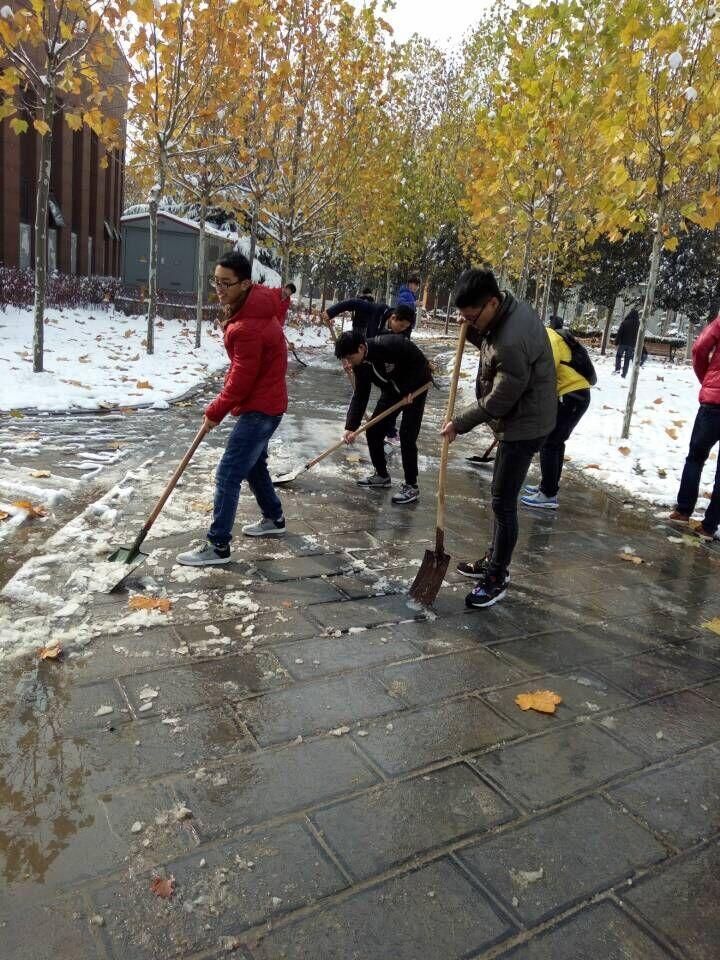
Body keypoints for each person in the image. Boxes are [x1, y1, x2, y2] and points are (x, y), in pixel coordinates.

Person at [440, 269, 556, 608]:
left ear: (491, 302)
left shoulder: (511, 339)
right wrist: (474, 330)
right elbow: (493, 349)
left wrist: (459, 423)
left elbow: (501, 399)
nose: (468, 322)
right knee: (500, 499)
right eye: (464, 317)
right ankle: (494, 558)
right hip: (525, 417)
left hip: (524, 426)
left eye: (471, 317)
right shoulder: (508, 311)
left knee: (503, 502)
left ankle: (497, 576)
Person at [177, 252, 288, 566]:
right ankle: (274, 517)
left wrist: (215, 410)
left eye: (226, 283)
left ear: (245, 283)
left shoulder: (248, 326)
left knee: (228, 473)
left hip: (261, 408)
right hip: (269, 402)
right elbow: (245, 369)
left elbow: (241, 379)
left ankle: (218, 546)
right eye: (216, 281)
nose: (219, 289)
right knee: (253, 466)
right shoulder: (255, 306)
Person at [335, 329, 432, 505]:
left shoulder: (390, 344)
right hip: (392, 391)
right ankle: (381, 475)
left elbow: (420, 362)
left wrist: (410, 388)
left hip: (416, 388)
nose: (349, 363)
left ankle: (411, 485)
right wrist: (351, 427)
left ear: (361, 348)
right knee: (373, 430)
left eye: (350, 357)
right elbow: (361, 395)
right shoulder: (360, 364)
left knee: (407, 435)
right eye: (346, 359)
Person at [520, 326, 593, 510]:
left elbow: (545, 371)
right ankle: (548, 486)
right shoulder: (548, 336)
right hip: (573, 395)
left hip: (571, 396)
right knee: (555, 442)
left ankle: (548, 494)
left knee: (550, 442)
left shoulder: (549, 338)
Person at [669, 313, 720, 541]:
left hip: (713, 403)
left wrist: (707, 379)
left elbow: (700, 348)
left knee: (695, 457)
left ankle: (683, 510)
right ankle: (709, 527)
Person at [613, 308, 640, 377]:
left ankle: (617, 369)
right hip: (631, 345)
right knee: (627, 359)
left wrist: (616, 342)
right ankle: (624, 373)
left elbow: (619, 333)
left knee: (618, 356)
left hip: (623, 343)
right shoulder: (638, 325)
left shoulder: (625, 322)